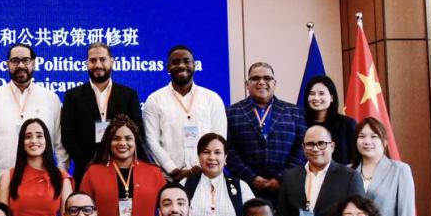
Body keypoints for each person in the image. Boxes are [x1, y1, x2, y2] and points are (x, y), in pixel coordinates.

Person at [0, 43, 67, 180]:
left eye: (26, 60)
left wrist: (61, 176)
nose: (20, 65)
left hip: (42, 185)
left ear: (34, 63)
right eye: (15, 61)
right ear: (7, 64)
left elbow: (60, 144)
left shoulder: (50, 99)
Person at [61, 42, 144, 187]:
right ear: (87, 64)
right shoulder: (73, 96)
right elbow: (68, 136)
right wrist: (89, 163)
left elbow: (138, 132)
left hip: (123, 169)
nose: (98, 65)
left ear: (112, 62)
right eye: (93, 60)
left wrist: (122, 159)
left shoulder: (128, 95)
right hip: (85, 170)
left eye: (102, 59)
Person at [276, 125, 366, 216]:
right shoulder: (290, 177)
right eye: (310, 144)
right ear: (303, 147)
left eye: (321, 144)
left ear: (332, 146)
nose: (315, 149)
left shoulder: (349, 177)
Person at [79, 114, 165, 216]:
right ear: (108, 142)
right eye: (116, 138)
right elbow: (83, 211)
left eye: (128, 138)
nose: (122, 143)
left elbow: (165, 209)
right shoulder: (93, 172)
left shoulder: (154, 173)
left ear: (136, 142)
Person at [144, 44, 227, 180]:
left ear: (194, 65)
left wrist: (199, 168)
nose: (181, 66)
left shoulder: (212, 98)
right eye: (175, 62)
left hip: (207, 175)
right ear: (168, 68)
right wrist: (173, 170)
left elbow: (219, 138)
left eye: (186, 61)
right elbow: (151, 141)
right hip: (169, 179)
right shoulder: (154, 100)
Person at [226, 62, 307, 203]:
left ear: (274, 83)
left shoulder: (295, 113)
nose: (261, 82)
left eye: (267, 78)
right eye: (255, 78)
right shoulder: (231, 113)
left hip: (285, 189)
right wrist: (252, 178)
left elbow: (302, 150)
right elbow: (228, 150)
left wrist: (281, 178)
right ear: (247, 84)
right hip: (245, 188)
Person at [0, 118, 74, 216]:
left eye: (39, 136)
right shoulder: (8, 177)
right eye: (28, 136)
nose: (33, 140)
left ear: (46, 140)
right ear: (22, 142)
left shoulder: (61, 177)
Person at [353, 117, 416, 216]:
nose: (367, 141)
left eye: (374, 136)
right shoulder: (348, 172)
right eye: (361, 136)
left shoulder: (400, 170)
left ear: (385, 142)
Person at [182, 133, 255, 216]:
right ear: (199, 157)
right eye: (206, 152)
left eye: (217, 152)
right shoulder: (184, 185)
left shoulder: (241, 187)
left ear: (225, 158)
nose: (212, 157)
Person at [303, 75, 357, 166]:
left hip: (340, 174)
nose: (316, 98)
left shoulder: (347, 124)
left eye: (321, 93)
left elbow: (356, 158)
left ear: (332, 97)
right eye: (312, 94)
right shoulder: (300, 123)